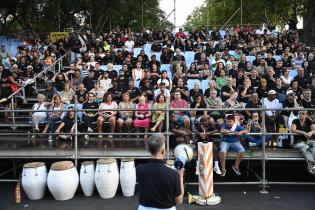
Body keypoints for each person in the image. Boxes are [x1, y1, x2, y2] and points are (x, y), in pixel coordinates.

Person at [136, 134, 184, 210]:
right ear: (163, 150)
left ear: (148, 148)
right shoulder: (173, 174)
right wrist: (181, 178)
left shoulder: (139, 169)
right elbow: (179, 200)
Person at [291, 111, 315, 175]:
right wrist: (303, 132)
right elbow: (293, 129)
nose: (301, 115)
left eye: (303, 113)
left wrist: (311, 132)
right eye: (299, 113)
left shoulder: (309, 121)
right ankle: (311, 165)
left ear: (306, 115)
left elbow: (314, 130)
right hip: (298, 141)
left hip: (308, 141)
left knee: (313, 148)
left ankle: (312, 166)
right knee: (305, 147)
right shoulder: (295, 120)